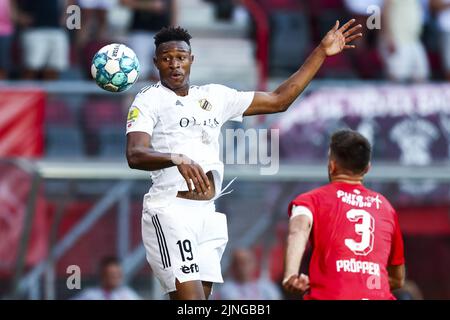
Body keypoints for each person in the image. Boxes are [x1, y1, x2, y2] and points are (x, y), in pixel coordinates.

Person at [125, 22, 363, 300]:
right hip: (171, 210)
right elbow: (135, 154)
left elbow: (278, 100)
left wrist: (321, 52)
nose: (174, 65)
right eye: (167, 59)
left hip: (207, 215)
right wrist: (175, 158)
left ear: (191, 60)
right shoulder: (148, 100)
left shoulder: (214, 96)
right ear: (156, 63)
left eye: (180, 57)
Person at [283, 129, 405, 300]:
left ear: (332, 165)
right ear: (367, 169)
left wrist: (291, 274)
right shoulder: (386, 208)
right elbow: (398, 279)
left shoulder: (311, 200)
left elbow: (298, 230)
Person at [121, 0, 177, 81]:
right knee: (138, 71)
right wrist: (149, 6)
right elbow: (124, 2)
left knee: (161, 72)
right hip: (140, 32)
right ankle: (136, 93)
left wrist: (173, 30)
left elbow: (173, 5)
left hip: (163, 31)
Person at [379, 0, 429, 82]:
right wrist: (389, 37)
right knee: (397, 76)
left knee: (421, 76)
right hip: (398, 39)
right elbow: (384, 12)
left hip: (413, 39)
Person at [213, 248, 282, 300]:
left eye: (247, 262)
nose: (243, 266)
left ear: (254, 264)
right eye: (239, 263)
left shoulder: (268, 286)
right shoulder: (226, 289)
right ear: (233, 266)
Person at [73, 256, 141, 300]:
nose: (116, 277)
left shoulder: (128, 294)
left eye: (118, 274)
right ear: (103, 275)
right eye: (112, 274)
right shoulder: (90, 295)